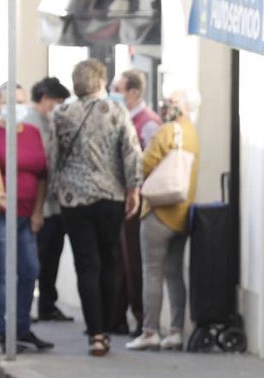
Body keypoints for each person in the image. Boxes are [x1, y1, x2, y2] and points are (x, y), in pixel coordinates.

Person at [49, 59, 142, 356]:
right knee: (109, 261)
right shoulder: (116, 111)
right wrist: (133, 189)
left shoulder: (62, 113)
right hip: (110, 196)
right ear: (101, 81)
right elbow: (130, 152)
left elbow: (53, 156)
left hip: (73, 200)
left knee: (86, 264)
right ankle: (108, 325)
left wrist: (56, 190)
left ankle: (96, 333)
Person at [0, 86, 53, 352]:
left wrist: (39, 211)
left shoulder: (31, 133)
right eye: (9, 102)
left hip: (25, 215)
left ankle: (20, 328)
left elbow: (42, 175)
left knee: (30, 270)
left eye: (20, 102)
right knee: (4, 273)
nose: (15, 107)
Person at [127, 90, 201, 351]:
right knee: (174, 273)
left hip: (158, 211)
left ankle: (150, 331)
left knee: (152, 271)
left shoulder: (167, 131)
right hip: (182, 212)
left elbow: (143, 165)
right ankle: (176, 330)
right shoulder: (191, 132)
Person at [108, 69, 160, 336]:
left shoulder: (148, 123)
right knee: (119, 260)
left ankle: (140, 318)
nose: (113, 94)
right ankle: (116, 317)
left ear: (134, 92)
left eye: (118, 89)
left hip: (137, 202)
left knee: (134, 262)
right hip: (120, 198)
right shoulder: (121, 119)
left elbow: (149, 164)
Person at [26, 76, 74, 324]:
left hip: (56, 202)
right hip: (37, 204)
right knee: (36, 256)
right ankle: (27, 305)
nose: (58, 109)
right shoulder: (27, 122)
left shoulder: (51, 121)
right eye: (56, 103)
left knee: (52, 254)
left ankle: (48, 304)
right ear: (44, 98)